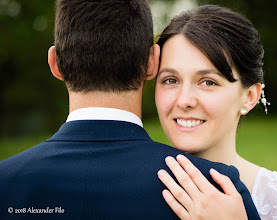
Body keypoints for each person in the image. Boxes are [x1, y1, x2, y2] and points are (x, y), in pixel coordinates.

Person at [0, 1, 260, 219]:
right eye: (171, 80)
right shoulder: (218, 193)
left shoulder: (6, 183)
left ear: (55, 63)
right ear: (151, 63)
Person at [155, 5, 277, 220]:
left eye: (208, 82)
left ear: (249, 97)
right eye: (170, 80)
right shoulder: (128, 191)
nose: (184, 101)